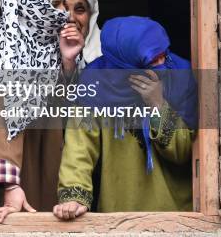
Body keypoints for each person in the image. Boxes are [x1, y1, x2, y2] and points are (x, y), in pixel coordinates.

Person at [54, 16, 197, 220]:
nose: (163, 63)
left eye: (164, 54)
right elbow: (79, 149)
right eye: (152, 60)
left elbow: (183, 153)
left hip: (177, 213)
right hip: (120, 214)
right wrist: (74, 196)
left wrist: (158, 105)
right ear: (125, 63)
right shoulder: (94, 86)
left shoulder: (181, 78)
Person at [0, 0, 84, 222]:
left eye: (63, 4)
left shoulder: (53, 41)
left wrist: (68, 61)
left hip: (47, 151)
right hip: (10, 167)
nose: (63, 13)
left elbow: (71, 106)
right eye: (55, 4)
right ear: (31, 2)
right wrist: (10, 185)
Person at [62, 0, 102, 68]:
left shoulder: (113, 54)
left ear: (90, 16)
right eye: (63, 10)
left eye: (79, 10)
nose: (71, 18)